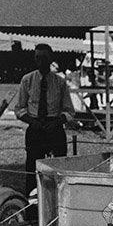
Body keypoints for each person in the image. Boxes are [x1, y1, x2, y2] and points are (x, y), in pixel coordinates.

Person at [13, 44, 77, 193]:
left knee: (58, 168)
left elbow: (69, 111)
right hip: (35, 129)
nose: (40, 61)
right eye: (37, 58)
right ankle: (32, 205)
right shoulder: (27, 80)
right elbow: (19, 109)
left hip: (54, 129)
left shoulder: (60, 82)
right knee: (32, 169)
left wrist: (56, 122)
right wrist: (32, 121)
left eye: (44, 58)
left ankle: (59, 201)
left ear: (51, 59)